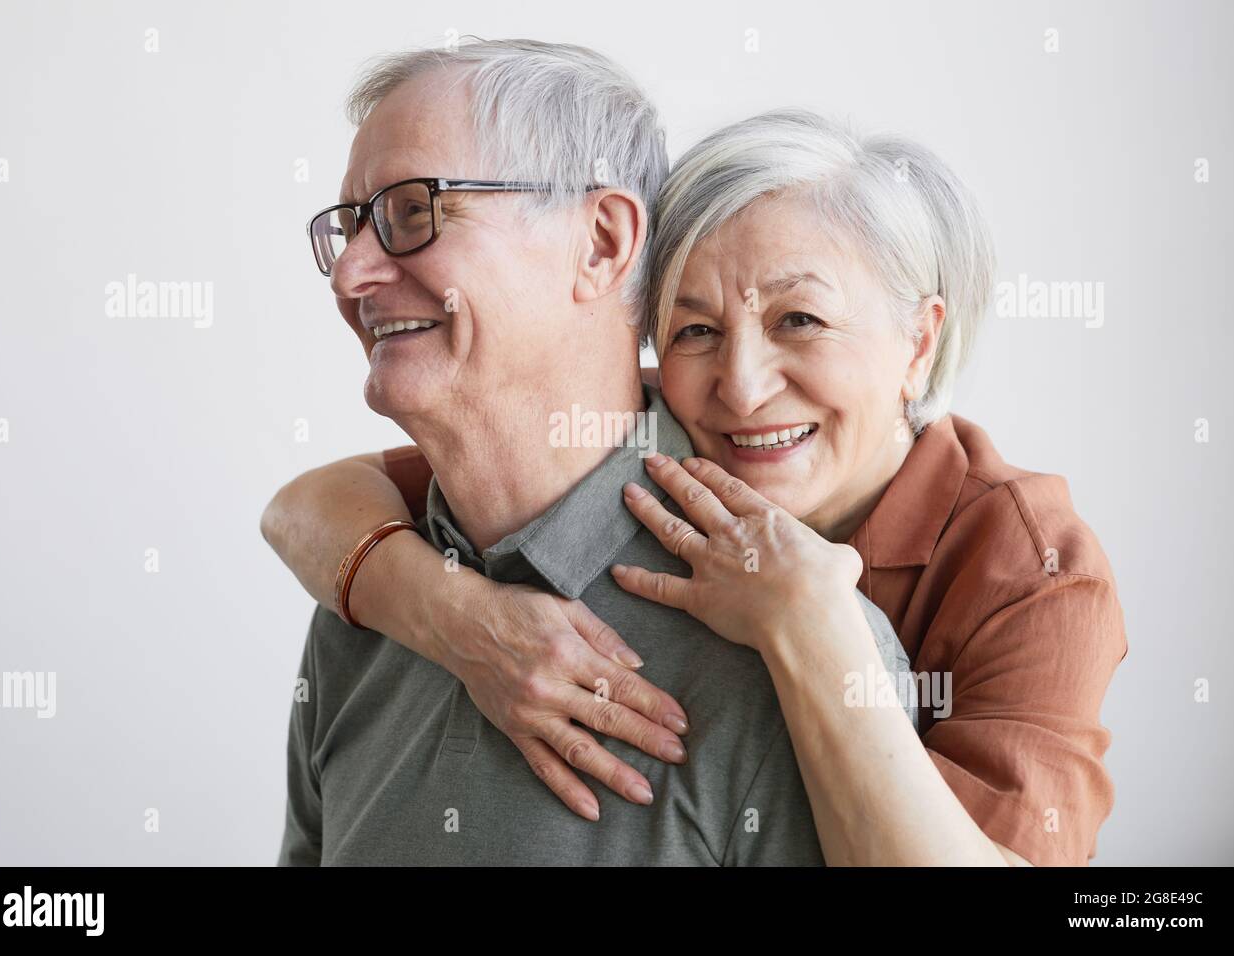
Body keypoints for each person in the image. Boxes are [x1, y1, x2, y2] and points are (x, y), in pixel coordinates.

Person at [270, 39, 915, 866]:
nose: (350, 274)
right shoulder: (363, 598)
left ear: (603, 243)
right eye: (352, 227)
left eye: (410, 212)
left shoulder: (797, 656)